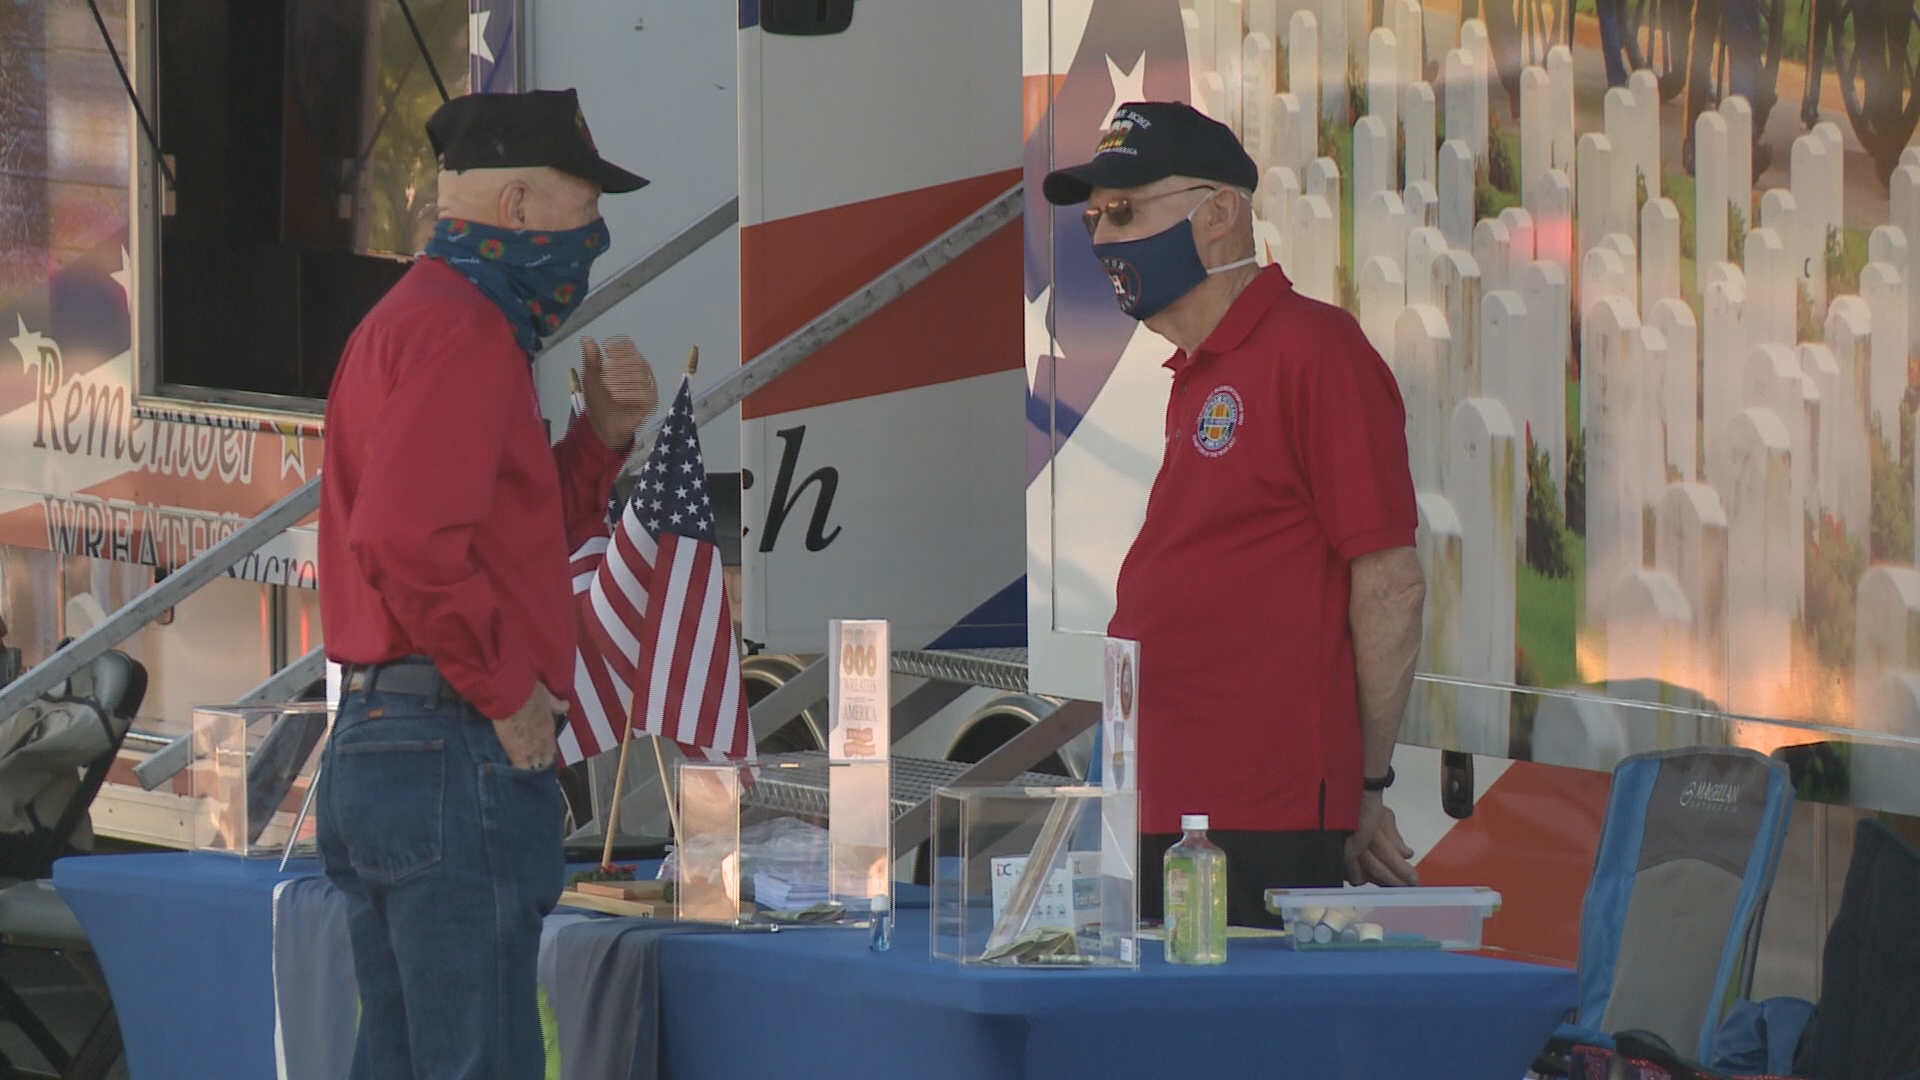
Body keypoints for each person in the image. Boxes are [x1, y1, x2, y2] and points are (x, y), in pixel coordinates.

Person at [317, 89, 657, 1078]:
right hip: (448, 743)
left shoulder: (409, 322)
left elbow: (489, 534)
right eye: (584, 207)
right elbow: (411, 539)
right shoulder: (467, 333)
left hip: (389, 739)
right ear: (517, 207)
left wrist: (597, 444)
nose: (594, 237)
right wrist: (509, 698)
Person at [1042, 102, 1428, 928]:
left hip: (1258, 811)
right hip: (1160, 797)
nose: (1105, 240)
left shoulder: (1315, 351)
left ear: (1218, 213)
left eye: (1125, 212)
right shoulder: (1198, 368)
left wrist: (1367, 784)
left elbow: (1390, 584)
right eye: (1093, 220)